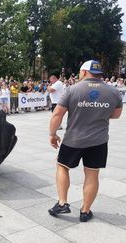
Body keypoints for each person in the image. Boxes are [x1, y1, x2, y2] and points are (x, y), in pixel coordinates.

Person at [48, 60, 123, 222]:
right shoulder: (113, 91)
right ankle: (85, 211)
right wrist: (98, 111)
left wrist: (52, 134)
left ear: (83, 72)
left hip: (73, 139)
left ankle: (62, 203)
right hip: (99, 141)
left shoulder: (72, 90)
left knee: (62, 166)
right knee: (92, 174)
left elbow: (57, 114)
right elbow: (116, 115)